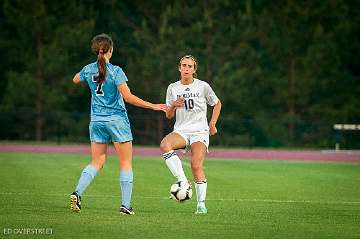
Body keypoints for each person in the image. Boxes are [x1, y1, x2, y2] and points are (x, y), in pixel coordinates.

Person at [70, 33, 166, 215]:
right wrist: (153, 106)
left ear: (95, 51)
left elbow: (75, 79)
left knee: (97, 161)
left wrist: (87, 73)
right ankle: (125, 206)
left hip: (97, 121)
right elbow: (128, 97)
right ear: (111, 51)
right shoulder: (116, 71)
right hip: (117, 121)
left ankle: (77, 193)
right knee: (125, 163)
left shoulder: (89, 69)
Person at [160, 55, 222, 214]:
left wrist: (212, 123)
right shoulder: (173, 88)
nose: (186, 69)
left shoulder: (202, 86)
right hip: (181, 130)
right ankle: (182, 180)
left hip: (200, 131)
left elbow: (217, 103)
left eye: (189, 66)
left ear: (194, 70)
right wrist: (173, 105)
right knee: (165, 145)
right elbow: (168, 115)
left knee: (196, 165)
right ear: (179, 68)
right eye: (183, 65)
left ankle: (201, 205)